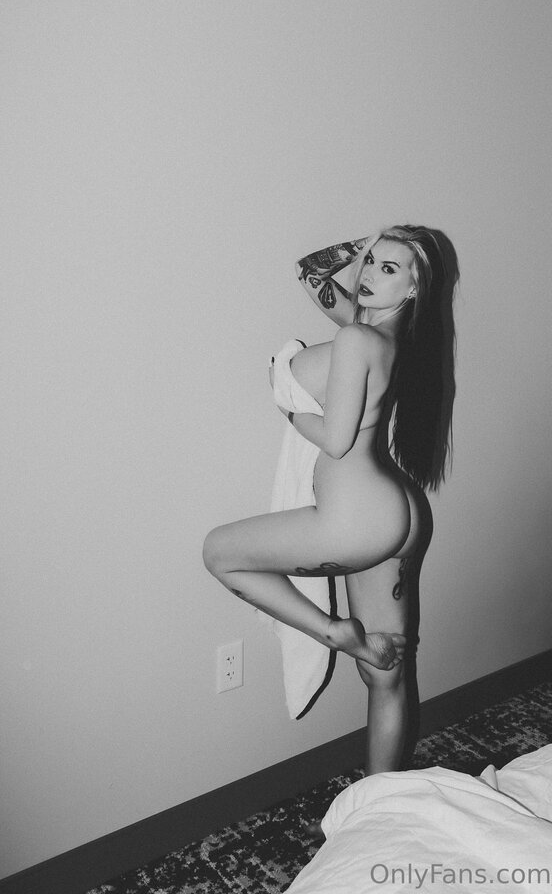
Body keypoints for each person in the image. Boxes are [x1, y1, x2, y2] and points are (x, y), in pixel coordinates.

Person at [203, 225, 457, 775]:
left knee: (218, 553)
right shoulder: (382, 337)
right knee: (388, 674)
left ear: (415, 288)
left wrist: (286, 403)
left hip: (357, 517)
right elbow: (310, 271)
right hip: (398, 511)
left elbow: (337, 440)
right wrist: (368, 245)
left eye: (389, 269)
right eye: (370, 262)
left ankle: (334, 633)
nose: (368, 273)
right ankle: (381, 804)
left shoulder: (359, 339)